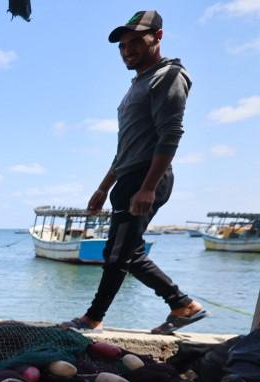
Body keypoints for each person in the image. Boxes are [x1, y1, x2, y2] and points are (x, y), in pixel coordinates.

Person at [62, 10, 206, 335]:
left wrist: (148, 187)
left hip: (145, 178)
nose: (128, 51)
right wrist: (102, 188)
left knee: (116, 254)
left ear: (158, 37)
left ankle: (92, 319)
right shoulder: (138, 84)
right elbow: (126, 148)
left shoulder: (168, 76)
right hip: (129, 178)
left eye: (136, 42)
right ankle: (182, 304)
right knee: (130, 251)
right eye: (123, 46)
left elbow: (171, 133)